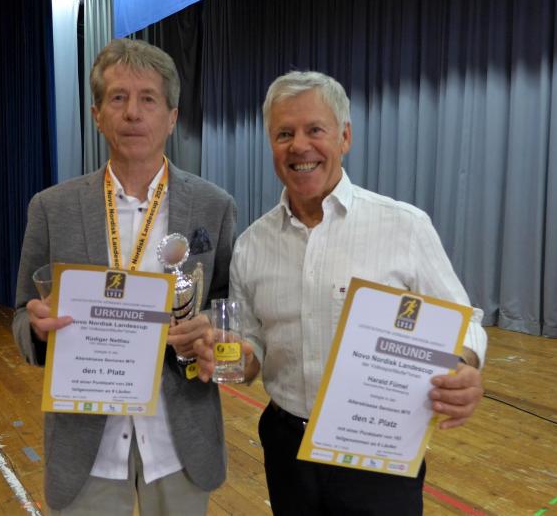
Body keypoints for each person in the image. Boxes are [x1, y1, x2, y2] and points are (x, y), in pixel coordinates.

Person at [195, 71, 487, 515]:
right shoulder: (252, 244)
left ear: (344, 137)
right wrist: (231, 355)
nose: (299, 146)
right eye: (284, 134)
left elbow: (463, 321)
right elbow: (251, 346)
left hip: (378, 449)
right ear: (271, 143)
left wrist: (463, 365)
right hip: (286, 447)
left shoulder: (404, 226)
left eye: (315, 129)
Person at [12, 38, 237, 515]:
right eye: (118, 97)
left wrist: (214, 336)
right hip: (87, 446)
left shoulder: (214, 206)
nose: (133, 112)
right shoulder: (52, 209)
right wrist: (35, 328)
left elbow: (230, 311)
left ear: (172, 117)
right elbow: (20, 315)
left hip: (179, 443)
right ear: (97, 115)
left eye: (148, 99)